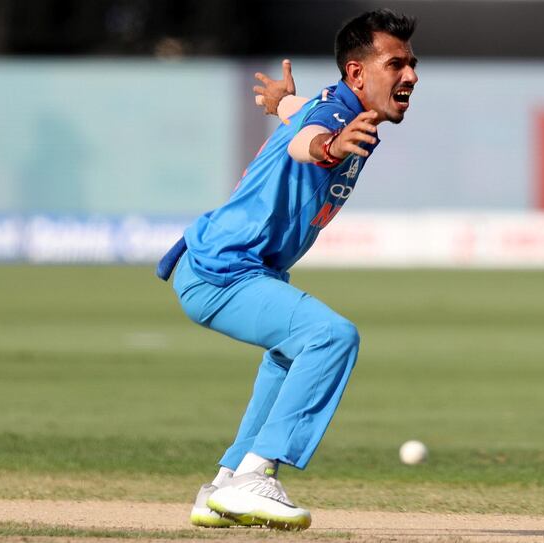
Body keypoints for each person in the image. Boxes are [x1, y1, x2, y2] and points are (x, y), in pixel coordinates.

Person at [156, 8, 418, 531]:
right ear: (357, 73)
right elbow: (307, 140)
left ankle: (227, 483)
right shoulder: (334, 121)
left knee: (288, 354)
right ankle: (258, 475)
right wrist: (326, 148)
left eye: (412, 64)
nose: (410, 75)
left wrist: (280, 102)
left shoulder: (328, 103)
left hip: (228, 268)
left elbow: (301, 112)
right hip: (222, 271)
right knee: (331, 337)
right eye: (397, 64)